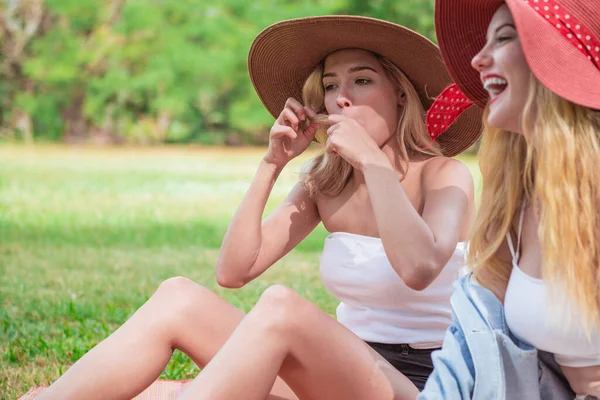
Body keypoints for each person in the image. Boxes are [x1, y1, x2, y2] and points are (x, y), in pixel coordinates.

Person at [38, 15, 481, 400]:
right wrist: (271, 165)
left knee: (281, 308)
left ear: (400, 95)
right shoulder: (327, 181)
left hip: (425, 382)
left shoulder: (445, 176)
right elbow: (233, 272)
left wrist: (373, 162)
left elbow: (419, 268)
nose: (340, 98)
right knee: (177, 297)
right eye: (330, 86)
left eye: (361, 81)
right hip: (341, 371)